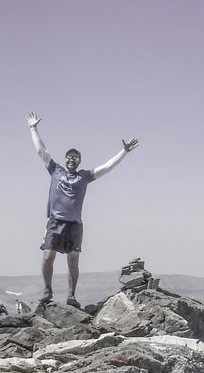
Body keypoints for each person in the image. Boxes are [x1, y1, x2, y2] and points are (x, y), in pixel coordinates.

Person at [28, 111, 139, 307]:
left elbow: (106, 167)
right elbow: (41, 151)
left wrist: (124, 152)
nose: (72, 160)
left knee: (73, 260)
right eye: (69, 157)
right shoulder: (55, 170)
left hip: (75, 224)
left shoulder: (84, 176)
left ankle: (71, 296)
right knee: (47, 256)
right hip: (55, 221)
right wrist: (33, 128)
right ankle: (48, 290)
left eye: (76, 158)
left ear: (79, 161)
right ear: (65, 159)